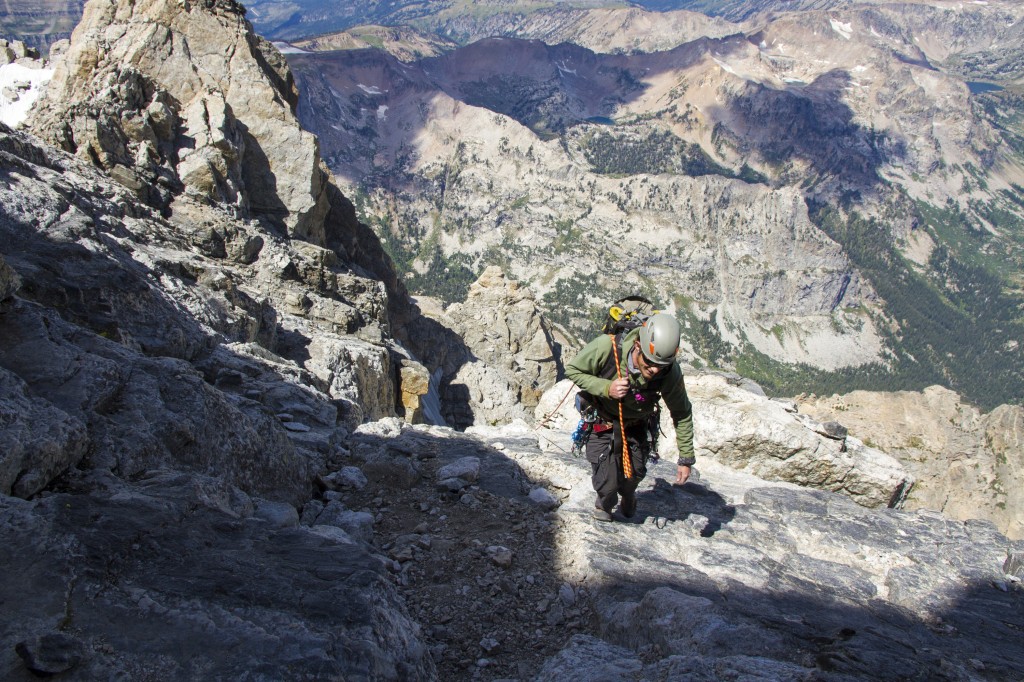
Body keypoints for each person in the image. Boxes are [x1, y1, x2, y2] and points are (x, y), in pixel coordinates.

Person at [565, 312, 695, 521]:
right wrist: (607, 388)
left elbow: (681, 411)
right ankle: (605, 504)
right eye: (649, 362)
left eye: (660, 366)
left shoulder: (669, 372)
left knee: (634, 475)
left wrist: (686, 458)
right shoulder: (606, 347)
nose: (654, 370)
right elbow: (573, 370)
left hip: (637, 424)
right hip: (602, 420)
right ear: (636, 345)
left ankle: (628, 495)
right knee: (606, 483)